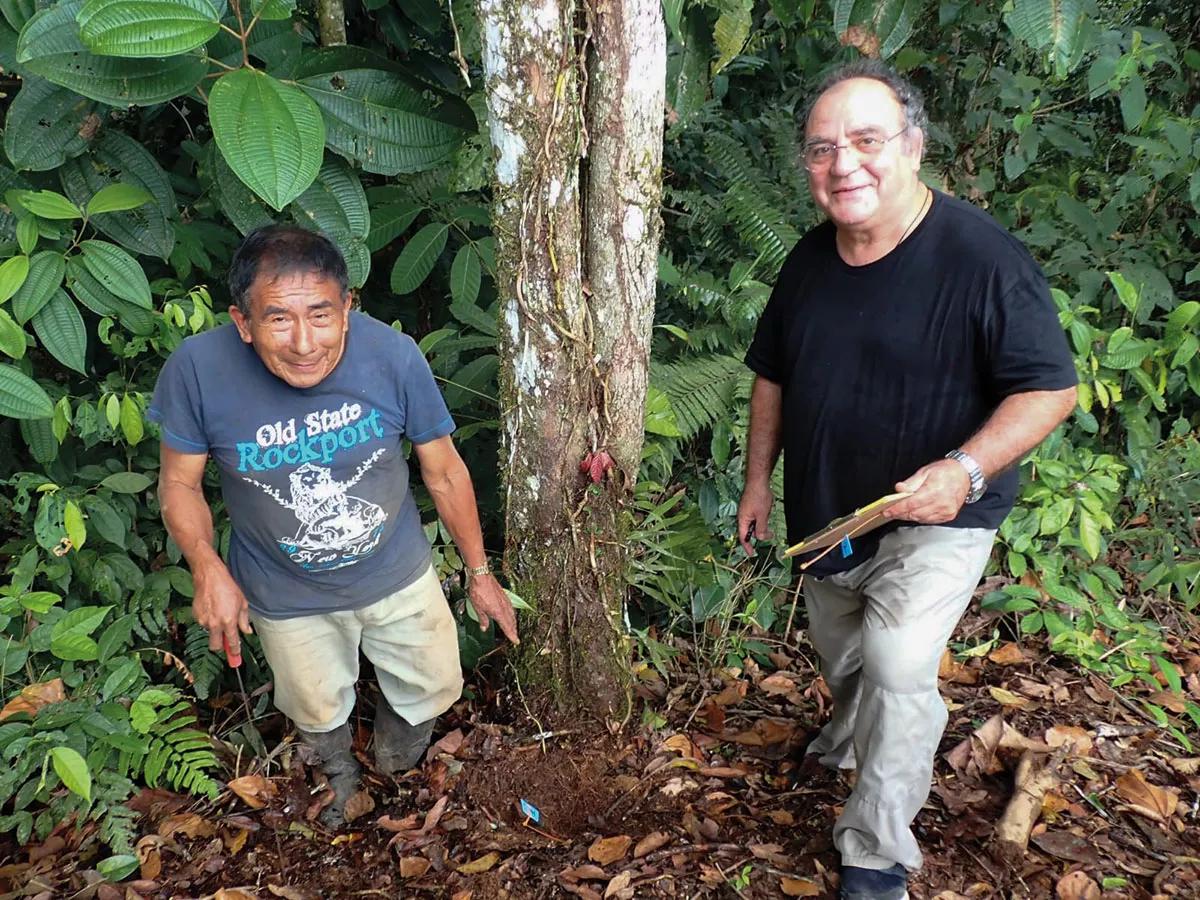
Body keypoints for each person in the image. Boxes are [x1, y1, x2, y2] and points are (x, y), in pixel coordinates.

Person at [737, 61, 1077, 900]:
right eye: (822, 149)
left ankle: (877, 849)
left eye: (866, 140)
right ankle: (854, 734)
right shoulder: (810, 262)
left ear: (914, 147)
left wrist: (964, 470)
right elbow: (772, 376)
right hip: (830, 513)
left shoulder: (982, 258)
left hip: (941, 513)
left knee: (895, 662)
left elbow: (1050, 388)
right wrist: (756, 483)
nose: (843, 163)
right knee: (847, 654)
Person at [151, 225, 518, 827]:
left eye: (321, 315)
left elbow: (444, 472)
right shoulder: (199, 370)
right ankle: (340, 780)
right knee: (314, 704)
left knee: (432, 682)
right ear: (242, 322)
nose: (303, 343)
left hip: (397, 570)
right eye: (277, 320)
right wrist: (207, 566)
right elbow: (179, 483)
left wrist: (479, 572)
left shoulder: (394, 357)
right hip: (283, 590)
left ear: (348, 308)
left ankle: (398, 763)